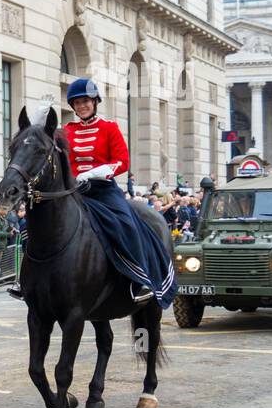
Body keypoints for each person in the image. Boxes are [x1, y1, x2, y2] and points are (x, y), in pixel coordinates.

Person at [10, 77, 174, 305]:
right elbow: (39, 140)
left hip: (102, 190)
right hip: (72, 191)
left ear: (95, 102)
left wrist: (93, 173)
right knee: (31, 226)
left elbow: (122, 162)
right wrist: (39, 115)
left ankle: (140, 279)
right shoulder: (65, 131)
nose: (82, 106)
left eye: (86, 101)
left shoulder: (109, 128)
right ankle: (24, 279)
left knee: (126, 223)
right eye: (77, 103)